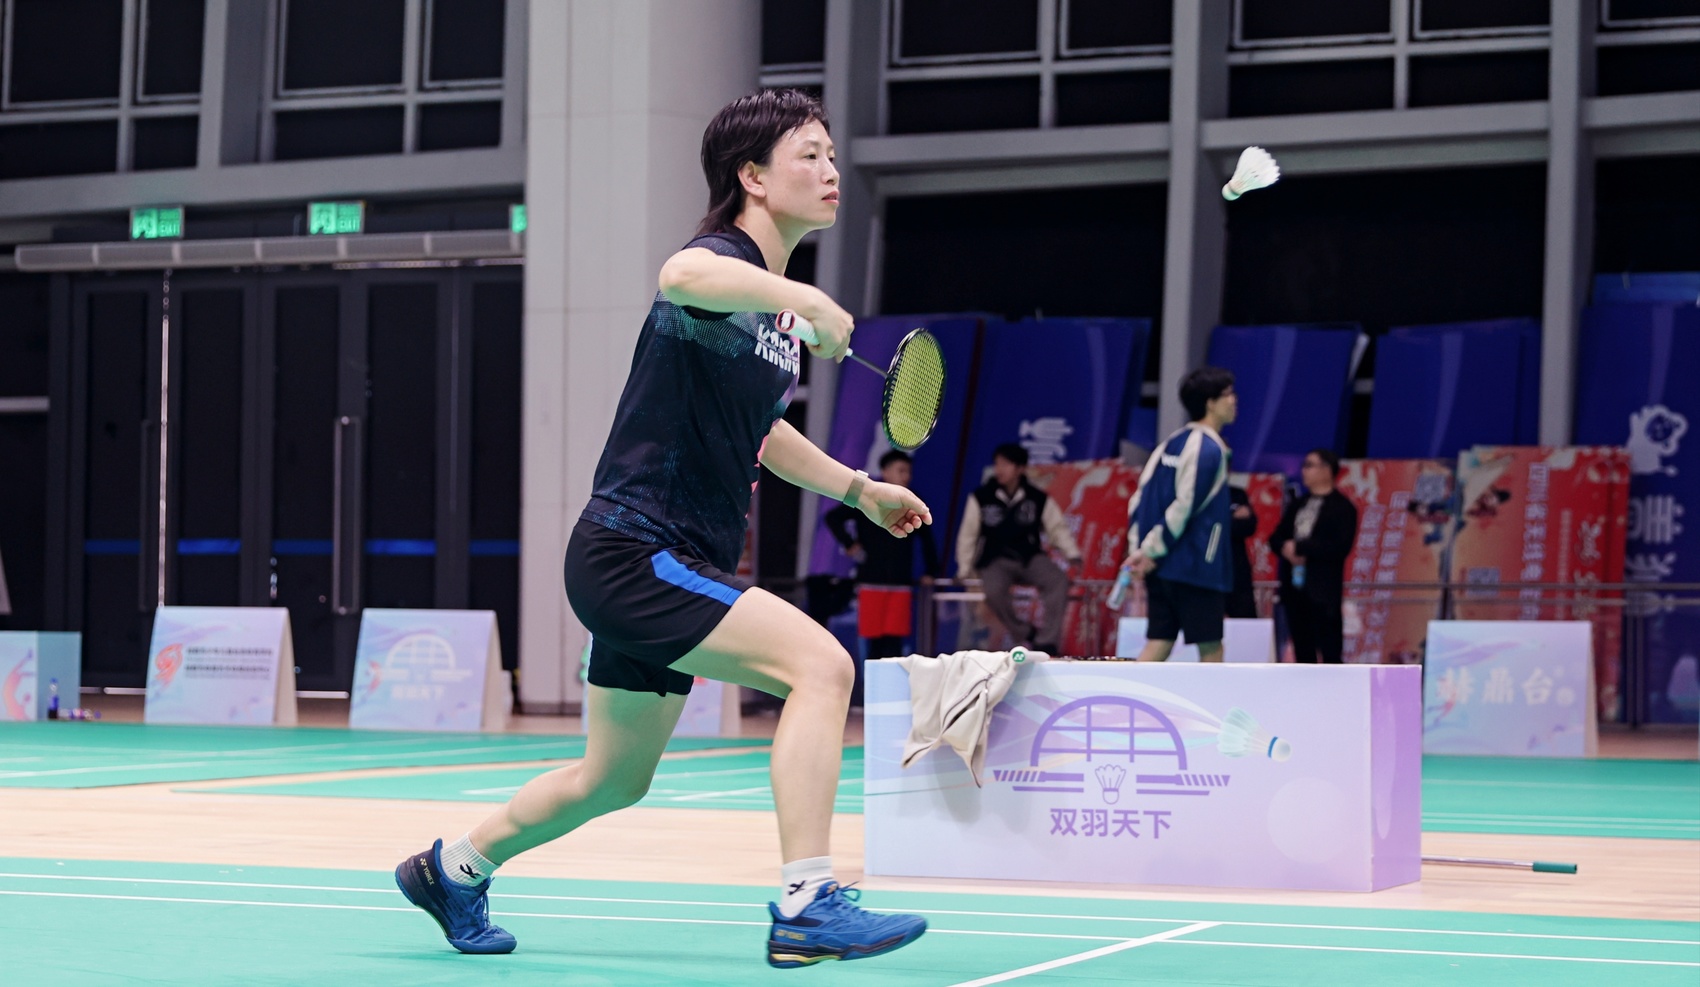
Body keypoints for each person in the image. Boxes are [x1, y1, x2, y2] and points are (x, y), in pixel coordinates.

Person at [393, 89, 929, 968]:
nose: (832, 170)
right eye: (810, 154)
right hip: (636, 548)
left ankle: (451, 869)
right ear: (752, 176)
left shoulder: (771, 321)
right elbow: (680, 274)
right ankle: (808, 902)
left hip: (659, 558)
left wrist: (859, 489)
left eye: (832, 154)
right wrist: (803, 294)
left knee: (612, 778)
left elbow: (762, 433)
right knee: (822, 666)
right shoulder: (723, 264)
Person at [1123, 368, 1237, 662]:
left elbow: (1138, 500)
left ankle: (1130, 693)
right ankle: (1210, 699)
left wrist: (1140, 552)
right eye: (1228, 394)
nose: (1234, 400)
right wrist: (1149, 551)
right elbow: (1185, 505)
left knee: (1159, 643)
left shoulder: (1169, 443)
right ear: (1210, 402)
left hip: (1160, 565)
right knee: (1211, 648)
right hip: (1195, 566)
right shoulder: (1210, 449)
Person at [825, 450, 941, 696]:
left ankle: (892, 695)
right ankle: (871, 695)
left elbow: (927, 538)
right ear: (885, 472)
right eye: (901, 470)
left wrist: (932, 570)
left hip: (900, 582)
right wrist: (849, 544)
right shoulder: (870, 496)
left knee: (895, 642)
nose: (906, 476)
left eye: (908, 471)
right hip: (871, 582)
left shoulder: (913, 500)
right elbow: (833, 517)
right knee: (872, 641)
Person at [955, 443, 1083, 654]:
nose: (1000, 470)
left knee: (1058, 580)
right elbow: (968, 535)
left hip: (1029, 557)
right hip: (995, 559)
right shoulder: (981, 497)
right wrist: (964, 569)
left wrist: (1073, 554)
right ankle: (1024, 631)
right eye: (997, 464)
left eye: (1006, 464)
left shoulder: (1037, 498)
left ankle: (1047, 641)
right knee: (993, 590)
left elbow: (1057, 529)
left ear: (1020, 468)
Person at [1268, 448, 1359, 664]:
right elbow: (1276, 537)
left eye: (1309, 465)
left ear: (1327, 470)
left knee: (1329, 650)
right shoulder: (1298, 504)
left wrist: (1301, 548)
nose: (1304, 471)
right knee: (1302, 649)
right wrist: (1286, 549)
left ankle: (1332, 686)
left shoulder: (1343, 508)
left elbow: (1339, 546)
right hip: (1294, 588)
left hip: (1323, 591)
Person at [1226, 484, 1260, 620]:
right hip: (1204, 573)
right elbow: (1201, 529)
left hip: (1237, 572)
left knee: (1245, 620)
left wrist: (1220, 522)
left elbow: (1249, 526)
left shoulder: (1236, 494)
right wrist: (1231, 518)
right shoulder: (1196, 493)